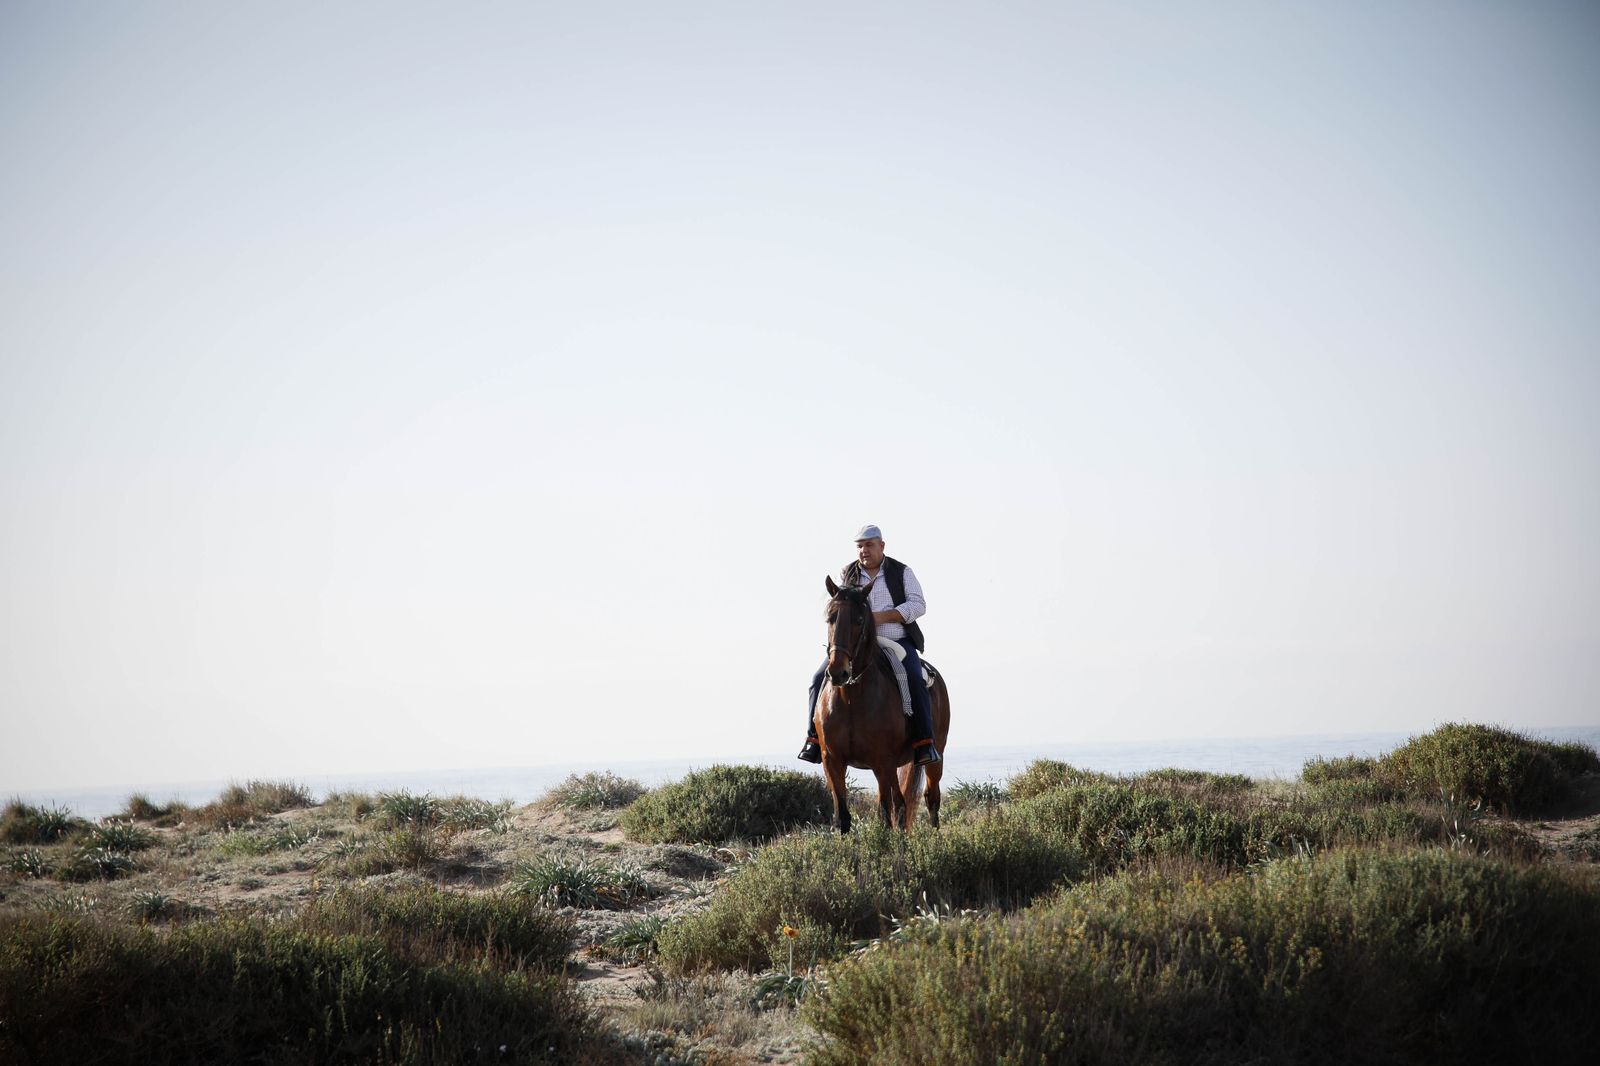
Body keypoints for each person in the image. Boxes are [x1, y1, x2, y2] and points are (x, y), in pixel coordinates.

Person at [800, 524, 941, 766]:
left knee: (914, 678)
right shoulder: (847, 573)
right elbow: (838, 606)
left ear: (881, 546)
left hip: (895, 639)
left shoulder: (901, 572)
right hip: (855, 645)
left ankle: (923, 742)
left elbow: (918, 605)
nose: (864, 551)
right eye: (860, 546)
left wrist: (882, 617)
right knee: (816, 678)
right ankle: (813, 739)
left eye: (869, 545)